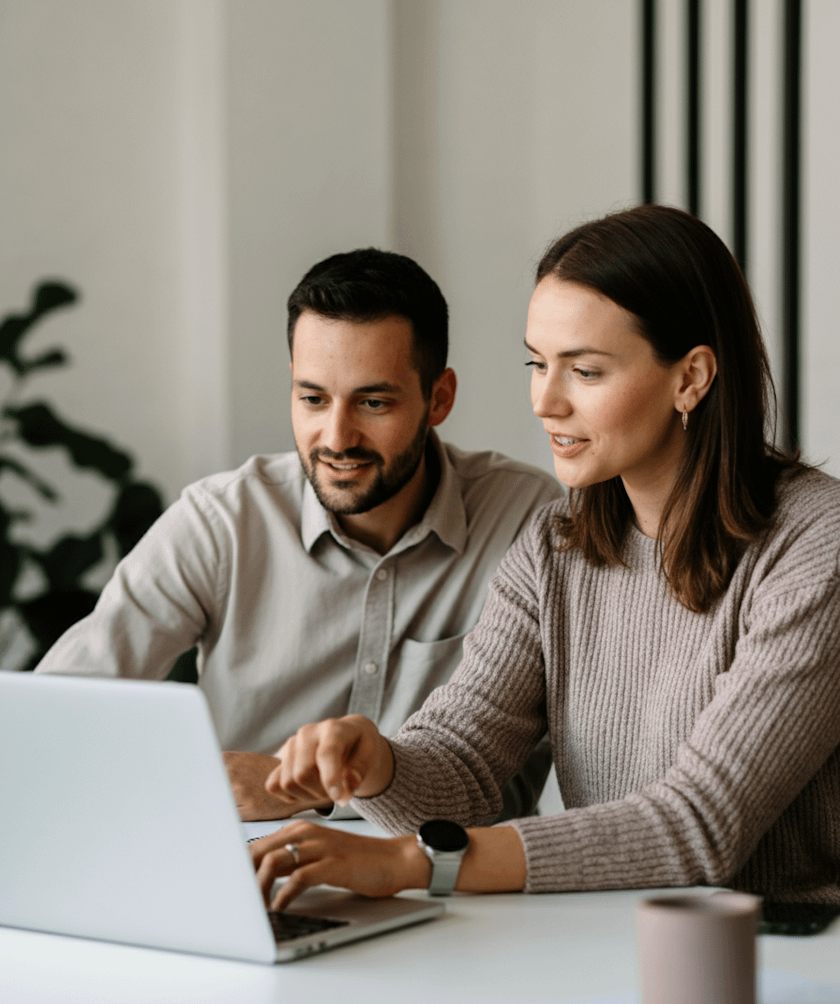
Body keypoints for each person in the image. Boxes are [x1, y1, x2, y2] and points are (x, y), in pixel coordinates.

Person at [244, 204, 840, 911]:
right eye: (537, 364)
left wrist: (410, 863)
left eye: (584, 372)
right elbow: (464, 767)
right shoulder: (556, 545)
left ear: (691, 378)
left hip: (789, 963)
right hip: (607, 941)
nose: (544, 402)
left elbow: (700, 826)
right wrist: (380, 765)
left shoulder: (816, 545)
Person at [36, 248, 561, 820]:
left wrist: (301, 787)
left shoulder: (527, 522)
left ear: (438, 398)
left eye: (374, 402)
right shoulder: (223, 522)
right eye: (313, 398)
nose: (337, 437)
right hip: (249, 873)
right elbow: (55, 720)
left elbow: (500, 777)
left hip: (456, 879)